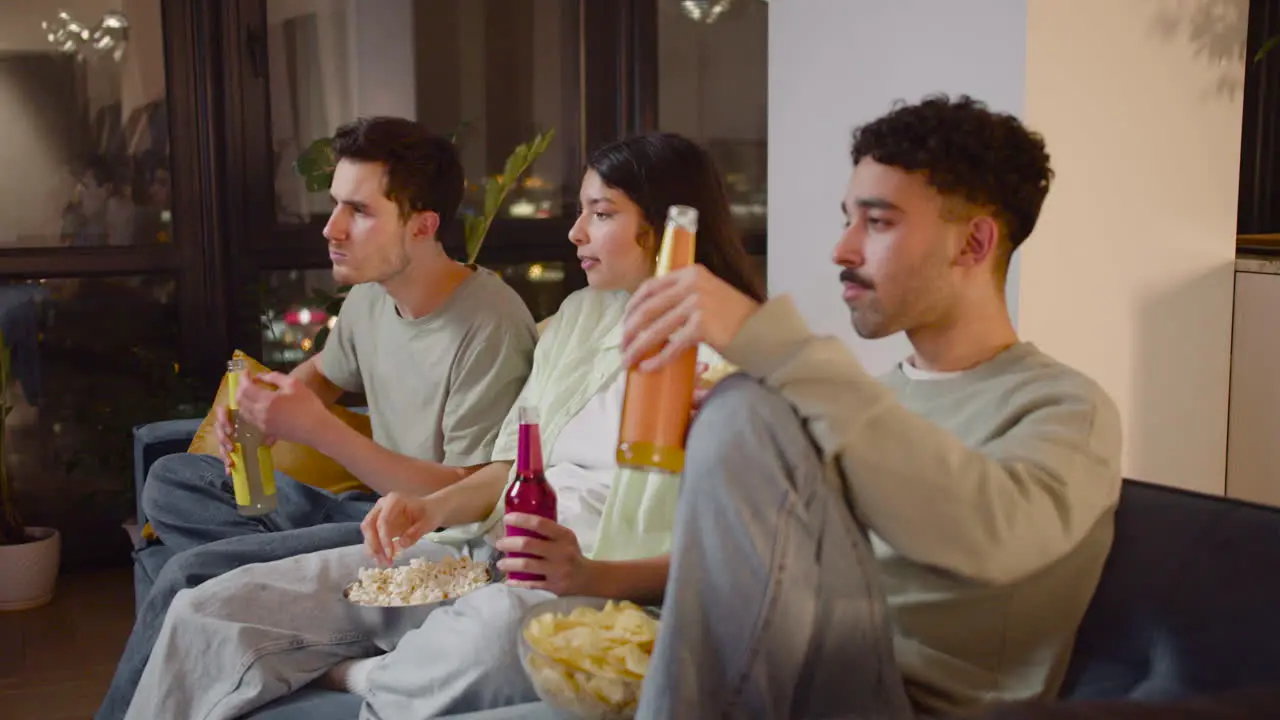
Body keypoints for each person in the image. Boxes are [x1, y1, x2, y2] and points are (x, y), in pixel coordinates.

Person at [119, 132, 765, 720]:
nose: (574, 233)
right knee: (207, 606)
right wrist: (429, 510)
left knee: (478, 642)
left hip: (584, 585)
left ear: (668, 226)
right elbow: (511, 466)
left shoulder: (732, 363)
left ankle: (369, 675)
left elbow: (729, 555)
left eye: (600, 213)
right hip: (480, 547)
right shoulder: (578, 319)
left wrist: (588, 575)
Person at [622, 95, 1123, 718]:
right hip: (797, 673)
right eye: (847, 220)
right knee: (743, 407)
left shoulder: (1067, 408)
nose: (843, 250)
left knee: (751, 405)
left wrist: (773, 351)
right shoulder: (874, 400)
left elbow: (987, 535)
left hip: (907, 704)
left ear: (973, 243)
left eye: (878, 223)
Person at [96, 116, 537, 720]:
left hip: (426, 541)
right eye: (335, 206)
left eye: (358, 211)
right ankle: (286, 559)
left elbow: (470, 498)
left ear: (423, 225)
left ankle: (285, 577)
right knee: (175, 480)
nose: (331, 229)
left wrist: (318, 430)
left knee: (188, 576)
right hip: (358, 511)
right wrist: (258, 415)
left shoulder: (490, 325)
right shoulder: (371, 296)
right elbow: (326, 376)